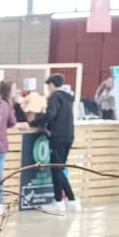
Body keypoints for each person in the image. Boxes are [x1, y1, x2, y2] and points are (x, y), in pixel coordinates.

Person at [30, 74, 79, 213]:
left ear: (51, 84)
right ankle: (71, 200)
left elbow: (50, 115)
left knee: (56, 169)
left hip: (57, 136)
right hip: (68, 136)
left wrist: (34, 122)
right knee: (60, 168)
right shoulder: (68, 98)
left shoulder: (55, 97)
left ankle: (58, 201)